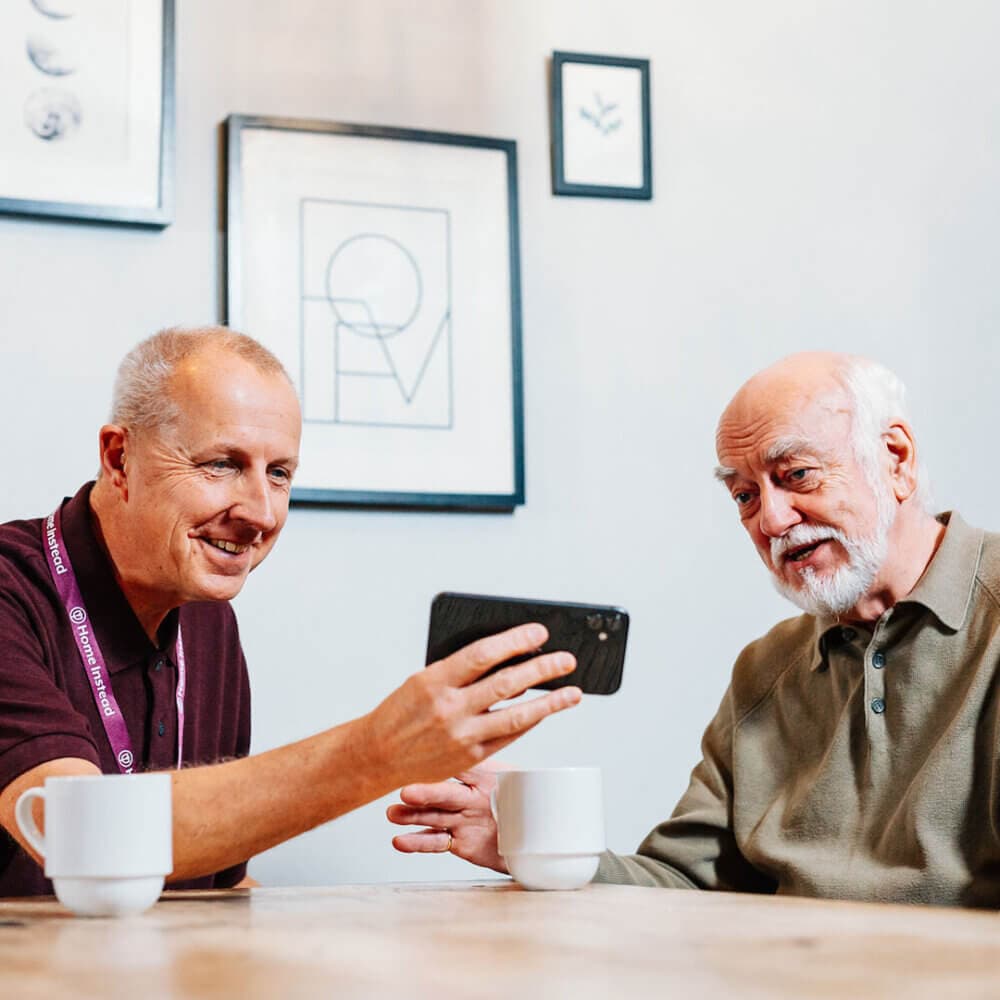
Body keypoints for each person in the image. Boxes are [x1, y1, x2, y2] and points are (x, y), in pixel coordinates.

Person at [388, 351, 1000, 908]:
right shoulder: (767, 668)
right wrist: (536, 848)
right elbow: (687, 883)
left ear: (896, 460)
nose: (772, 520)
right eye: (743, 496)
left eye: (796, 475)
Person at [0, 326, 582, 896]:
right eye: (222, 463)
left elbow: (219, 886)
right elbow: (76, 838)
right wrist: (377, 751)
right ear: (120, 457)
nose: (261, 513)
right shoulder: (11, 590)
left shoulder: (206, 616)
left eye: (279, 473)